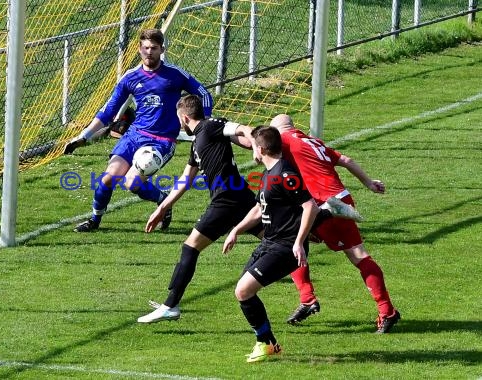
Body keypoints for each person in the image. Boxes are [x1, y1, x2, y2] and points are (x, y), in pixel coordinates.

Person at [137, 95, 358, 324]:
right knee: (281, 238)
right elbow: (185, 180)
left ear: (184, 117)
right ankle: (325, 214)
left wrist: (255, 147)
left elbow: (247, 129)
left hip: (226, 201)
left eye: (178, 119)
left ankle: (170, 305)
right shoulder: (197, 145)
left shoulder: (212, 126)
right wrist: (162, 208)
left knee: (190, 248)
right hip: (241, 199)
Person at [64, 29, 213, 232]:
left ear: (162, 49)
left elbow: (204, 95)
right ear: (139, 49)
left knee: (131, 182)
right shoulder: (130, 78)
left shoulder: (175, 75)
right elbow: (108, 111)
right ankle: (94, 220)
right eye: (145, 48)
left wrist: (201, 125)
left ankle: (162, 201)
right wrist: (84, 136)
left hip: (162, 141)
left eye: (153, 48)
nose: (149, 52)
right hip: (134, 135)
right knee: (108, 178)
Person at [270, 114, 400, 333]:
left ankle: (386, 311)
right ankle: (308, 299)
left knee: (355, 255)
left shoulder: (285, 140)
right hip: (339, 199)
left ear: (279, 131)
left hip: (326, 205)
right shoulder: (313, 141)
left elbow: (255, 141)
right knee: (293, 238)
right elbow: (346, 160)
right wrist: (369, 183)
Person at [222, 125, 319, 363]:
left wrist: (299, 242)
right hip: (270, 242)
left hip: (285, 247)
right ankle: (269, 343)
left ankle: (265, 343)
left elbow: (310, 206)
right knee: (243, 292)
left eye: (253, 145)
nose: (251, 150)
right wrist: (235, 230)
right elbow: (259, 208)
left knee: (243, 290)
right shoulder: (268, 173)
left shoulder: (285, 174)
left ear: (262, 149)